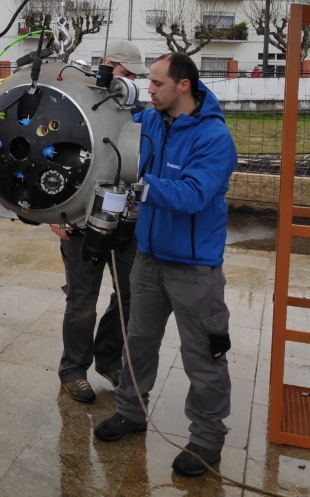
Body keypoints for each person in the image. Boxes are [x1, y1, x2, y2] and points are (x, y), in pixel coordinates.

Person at [93, 52, 238, 479]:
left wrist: (138, 184)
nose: (149, 89)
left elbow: (193, 195)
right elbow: (110, 139)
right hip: (148, 259)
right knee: (138, 342)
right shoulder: (149, 123)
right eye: (149, 82)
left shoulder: (214, 137)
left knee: (202, 357)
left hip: (195, 269)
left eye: (157, 83)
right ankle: (130, 412)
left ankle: (207, 439)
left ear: (183, 85)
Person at [51, 40, 146, 403]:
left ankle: (108, 357)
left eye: (135, 76)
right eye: (124, 72)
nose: (130, 81)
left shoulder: (136, 109)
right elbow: (54, 156)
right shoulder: (76, 101)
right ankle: (73, 371)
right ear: (107, 64)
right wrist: (54, 215)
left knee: (131, 294)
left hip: (125, 221)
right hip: (80, 222)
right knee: (82, 302)